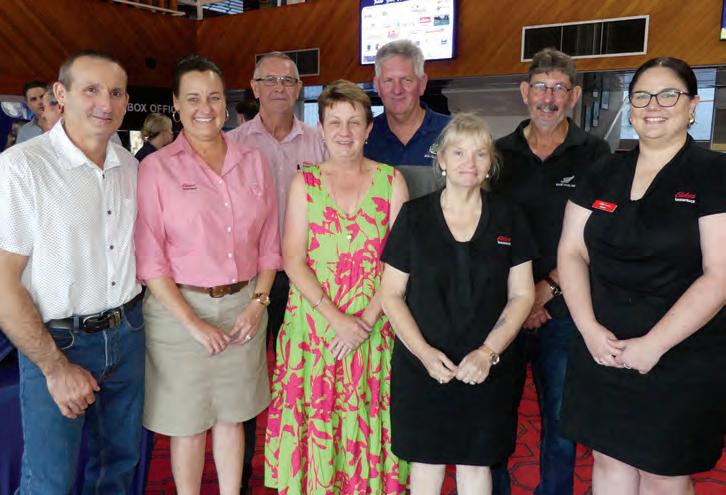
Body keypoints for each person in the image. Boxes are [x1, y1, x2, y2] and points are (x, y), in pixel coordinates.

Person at [558, 57, 726, 495]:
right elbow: (571, 251)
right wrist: (588, 329)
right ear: (631, 107)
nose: (654, 105)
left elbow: (720, 275)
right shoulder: (602, 172)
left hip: (680, 353)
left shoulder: (715, 173)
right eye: (642, 96)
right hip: (602, 347)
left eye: (669, 94)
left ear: (693, 105)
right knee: (608, 461)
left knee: (663, 474)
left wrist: (654, 345)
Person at [134, 54, 281, 495]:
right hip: (179, 313)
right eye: (193, 98)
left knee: (233, 418)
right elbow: (151, 260)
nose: (205, 108)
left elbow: (269, 245)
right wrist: (193, 323)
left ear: (225, 103)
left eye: (214, 98)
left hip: (244, 309)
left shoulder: (253, 161)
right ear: (176, 105)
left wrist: (258, 303)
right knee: (189, 425)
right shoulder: (156, 168)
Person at [0, 50, 144, 494]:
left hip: (127, 334)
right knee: (50, 483)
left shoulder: (130, 167)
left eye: (116, 92)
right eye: (91, 90)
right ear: (60, 94)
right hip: (58, 340)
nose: (106, 102)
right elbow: (4, 283)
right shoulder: (22, 167)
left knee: (118, 470)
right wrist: (55, 367)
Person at [265, 79, 409, 494]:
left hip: (374, 326)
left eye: (354, 122)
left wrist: (364, 321)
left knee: (366, 418)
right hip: (315, 330)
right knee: (318, 420)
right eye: (335, 122)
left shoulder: (391, 181)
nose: (344, 132)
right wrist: (337, 320)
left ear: (368, 128)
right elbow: (293, 259)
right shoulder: (304, 183)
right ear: (321, 129)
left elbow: (400, 262)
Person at [380, 113, 536, 495]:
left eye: (480, 153)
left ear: (490, 163)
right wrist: (424, 354)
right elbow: (391, 294)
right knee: (426, 464)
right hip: (422, 366)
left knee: (476, 464)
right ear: (442, 159)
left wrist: (488, 353)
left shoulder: (509, 216)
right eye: (459, 152)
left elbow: (522, 295)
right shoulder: (414, 216)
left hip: (486, 366)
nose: (470, 162)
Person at [492, 47, 611, 495]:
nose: (548, 98)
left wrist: (545, 291)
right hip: (504, 308)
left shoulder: (595, 153)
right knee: (495, 417)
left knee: (561, 424)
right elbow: (487, 232)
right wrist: (521, 297)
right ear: (525, 92)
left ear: (574, 96)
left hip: (565, 310)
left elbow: (597, 234)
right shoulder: (497, 154)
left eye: (559, 88)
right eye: (540, 87)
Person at [227, 51, 326, 490]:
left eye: (288, 80)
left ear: (300, 88)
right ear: (254, 87)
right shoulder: (233, 143)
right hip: (252, 281)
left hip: (308, 279)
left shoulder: (320, 142)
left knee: (303, 379)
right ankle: (240, 475)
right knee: (246, 381)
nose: (279, 88)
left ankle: (301, 471)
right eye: (270, 80)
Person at [365, 39, 449, 167]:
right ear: (377, 86)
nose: (397, 90)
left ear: (422, 83)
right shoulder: (363, 136)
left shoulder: (452, 132)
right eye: (388, 81)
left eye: (406, 80)